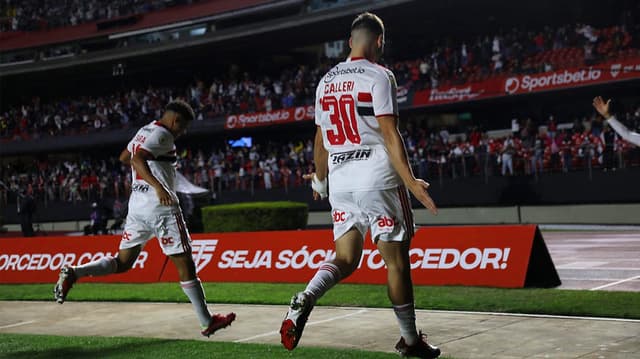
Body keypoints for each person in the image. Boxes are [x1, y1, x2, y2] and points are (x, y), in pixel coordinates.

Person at [279, 13, 440, 358]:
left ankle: (305, 297)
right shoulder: (380, 76)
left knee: (345, 257)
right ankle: (411, 341)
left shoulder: (325, 81)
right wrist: (411, 182)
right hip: (377, 175)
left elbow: (320, 140)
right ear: (380, 42)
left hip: (341, 179)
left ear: (350, 42)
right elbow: (389, 134)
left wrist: (320, 182)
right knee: (396, 264)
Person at [54, 100, 235, 337]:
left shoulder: (146, 129)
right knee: (185, 264)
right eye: (183, 126)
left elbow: (124, 157)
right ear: (175, 120)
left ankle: (74, 272)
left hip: (137, 207)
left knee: (123, 262)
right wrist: (159, 187)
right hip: (161, 207)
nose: (183, 132)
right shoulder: (164, 135)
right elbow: (137, 159)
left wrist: (147, 168)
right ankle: (206, 321)